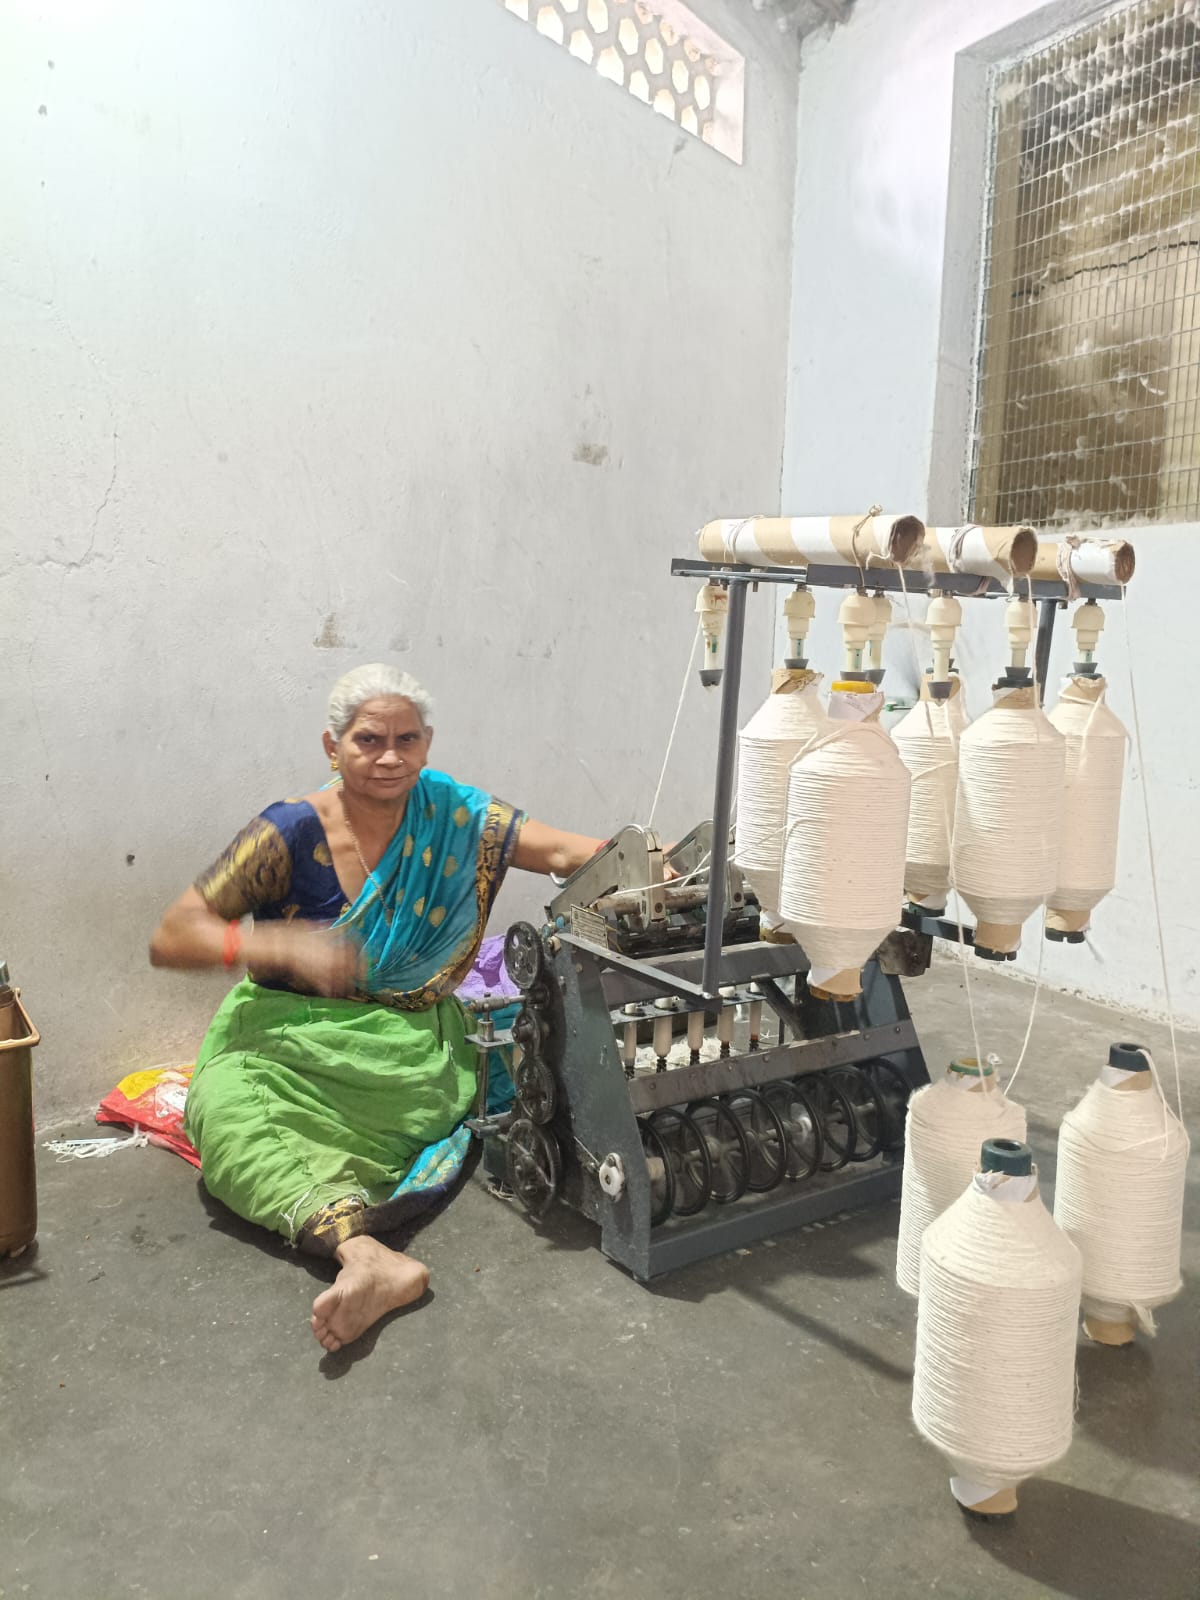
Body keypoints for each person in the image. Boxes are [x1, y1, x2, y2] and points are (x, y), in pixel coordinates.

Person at [150, 663, 603, 1353]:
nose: (390, 757)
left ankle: (362, 1247)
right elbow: (174, 934)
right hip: (284, 1046)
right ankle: (365, 1258)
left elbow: (568, 851)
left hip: (409, 1052)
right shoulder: (288, 831)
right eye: (368, 740)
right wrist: (275, 942)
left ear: (427, 744)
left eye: (406, 740)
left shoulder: (456, 816)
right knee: (227, 1111)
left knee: (532, 1061)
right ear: (332, 747)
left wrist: (656, 861)